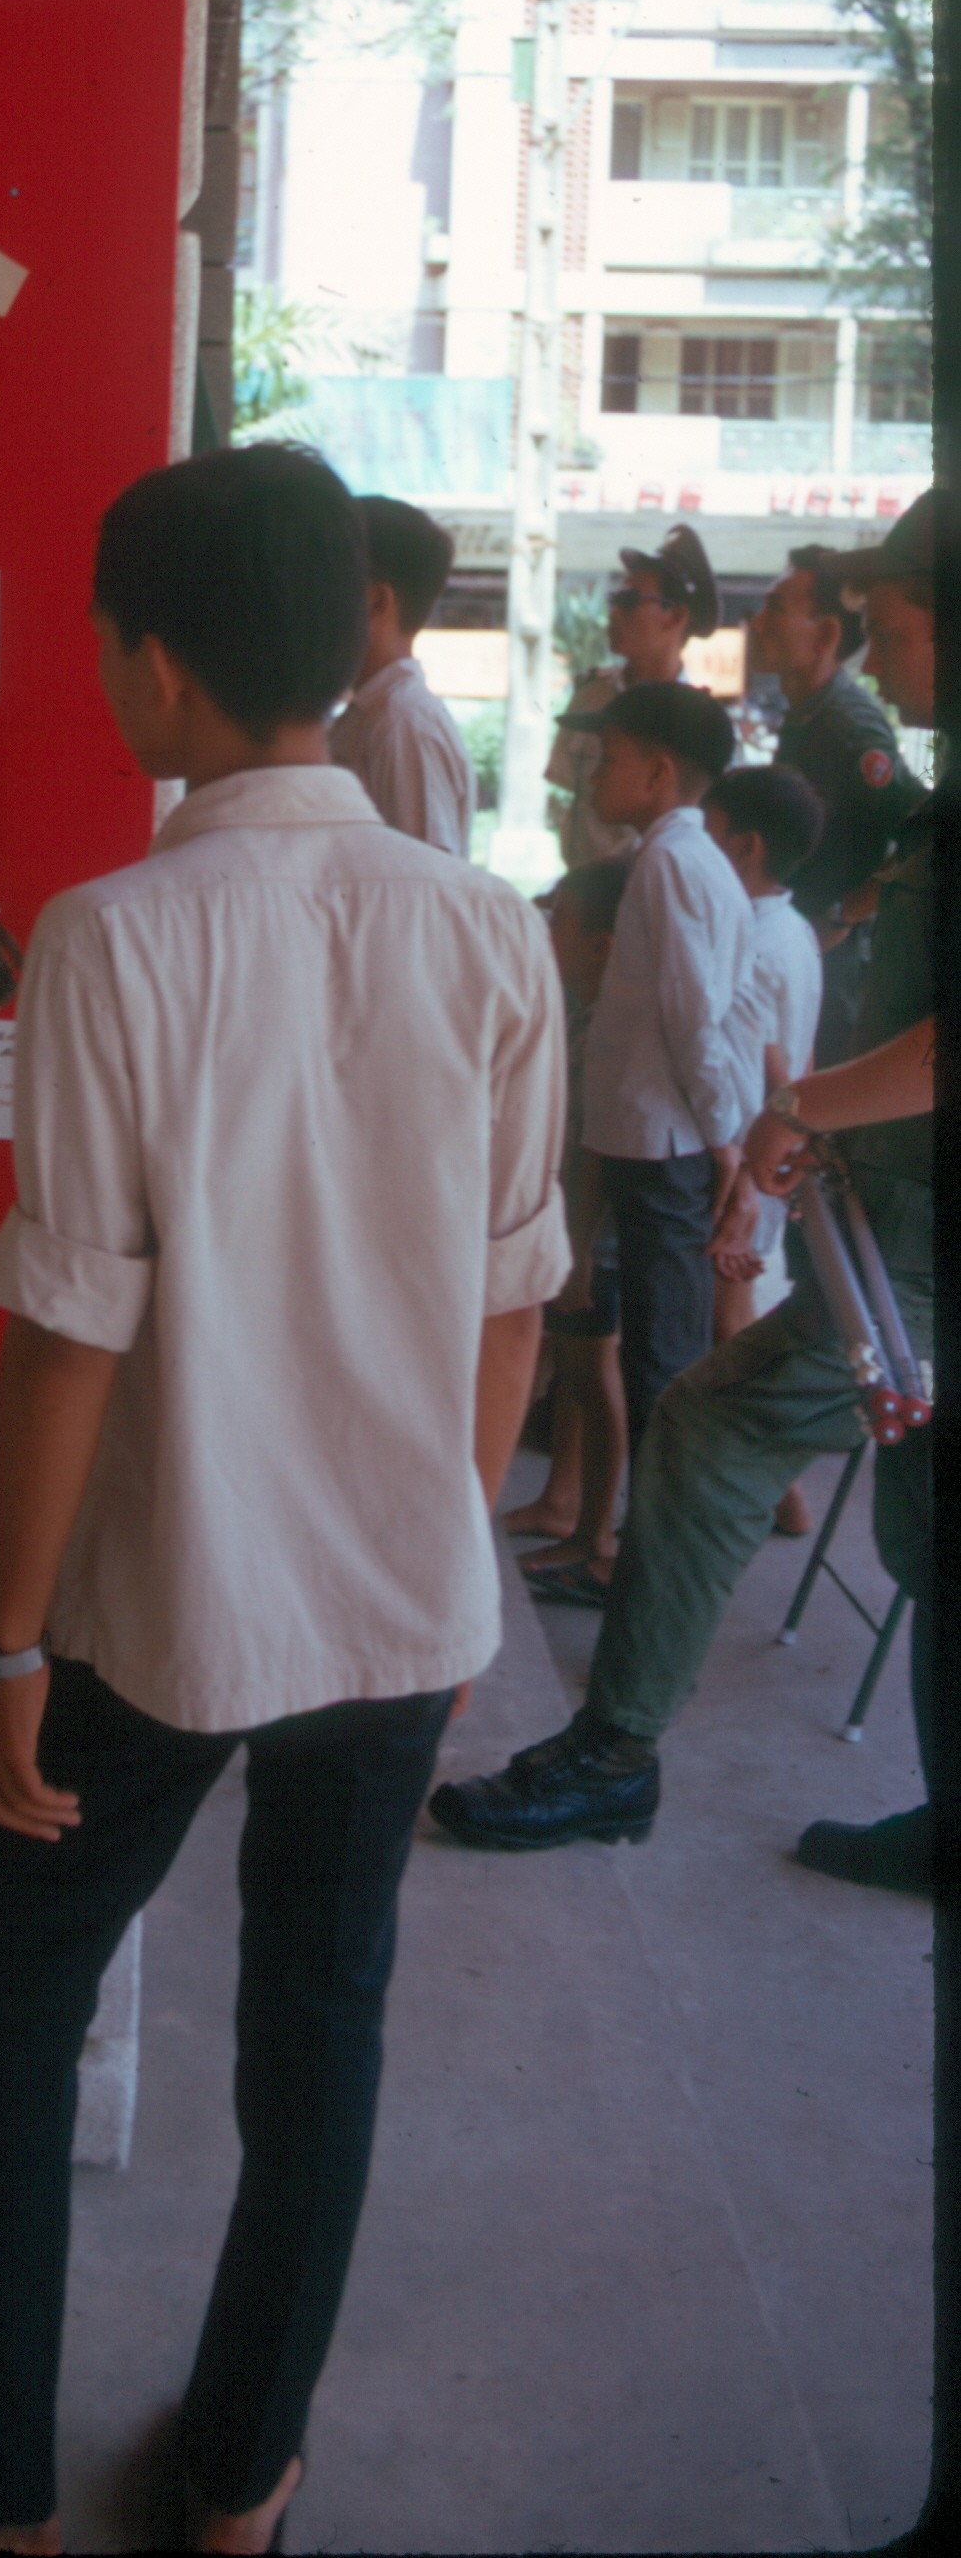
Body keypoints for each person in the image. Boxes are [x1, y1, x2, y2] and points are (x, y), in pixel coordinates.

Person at [0, 444, 569, 2557]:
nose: (100, 676)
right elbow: (513, 1308)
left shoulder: (112, 936)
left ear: (161, 668)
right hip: (395, 1606)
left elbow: (68, 1335)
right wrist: (444, 1568)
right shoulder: (489, 931)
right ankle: (238, 2479)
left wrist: (1, 1643)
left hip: (152, 1605)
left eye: (104, 644)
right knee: (321, 2025)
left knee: (17, 2003)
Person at [427, 488, 942, 1889]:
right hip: (885, 1221)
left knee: (702, 1416)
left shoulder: (726, 837)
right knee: (918, 1518)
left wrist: (784, 1112)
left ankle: (614, 1753)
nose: (875, 649)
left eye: (893, 625)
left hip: (911, 1255)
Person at [564, 679, 753, 1494]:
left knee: (661, 1362)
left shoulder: (672, 862)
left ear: (659, 772)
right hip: (657, 1137)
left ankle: (656, 1548)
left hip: (667, 1142)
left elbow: (690, 1016)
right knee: (654, 1351)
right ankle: (639, 1541)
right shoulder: (673, 857)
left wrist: (722, 1140)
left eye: (608, 758)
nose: (592, 776)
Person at [502, 855, 632, 1604]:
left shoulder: (607, 1027)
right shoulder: (582, 1011)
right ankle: (564, 1504)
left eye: (561, 923)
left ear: (601, 946)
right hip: (578, 1228)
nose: (548, 934)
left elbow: (593, 1152)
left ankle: (595, 1534)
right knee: (577, 1368)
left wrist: (577, 1251)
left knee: (592, 1375)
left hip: (593, 1235)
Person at [749, 543, 923, 1064]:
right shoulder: (807, 716)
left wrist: (845, 914)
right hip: (797, 950)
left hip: (832, 967)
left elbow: (917, 838)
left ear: (826, 635)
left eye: (776, 608)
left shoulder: (851, 729)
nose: (758, 623)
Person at [703, 764, 826, 1347]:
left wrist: (747, 1179)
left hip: (745, 1159)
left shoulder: (745, 941)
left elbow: (768, 1066)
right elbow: (804, 1055)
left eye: (709, 831)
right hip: (771, 1150)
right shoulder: (796, 930)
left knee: (725, 1325)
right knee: (728, 1314)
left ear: (746, 847)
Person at [547, 521, 719, 868]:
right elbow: (569, 795)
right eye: (615, 600)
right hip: (582, 886)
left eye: (629, 601)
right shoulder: (590, 697)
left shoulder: (701, 725)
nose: (614, 613)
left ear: (676, 616)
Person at [328, 493, 476, 854]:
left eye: (327, 584)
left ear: (376, 601)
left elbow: (425, 876)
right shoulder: (379, 713)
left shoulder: (403, 722)